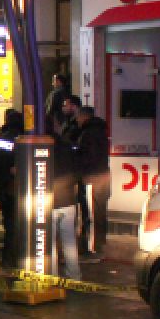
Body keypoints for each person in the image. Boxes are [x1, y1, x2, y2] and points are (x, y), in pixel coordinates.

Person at [74, 105, 111, 262]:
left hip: (92, 178)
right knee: (100, 212)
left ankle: (92, 249)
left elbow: (87, 157)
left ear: (84, 116)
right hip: (102, 176)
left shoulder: (88, 134)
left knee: (90, 213)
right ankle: (99, 245)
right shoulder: (101, 131)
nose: (77, 120)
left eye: (78, 117)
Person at [0, 110, 24, 268]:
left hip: (5, 186)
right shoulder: (23, 137)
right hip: (17, 187)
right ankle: (16, 256)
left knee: (9, 224)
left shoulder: (2, 138)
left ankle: (8, 258)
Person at [50, 132, 81, 281]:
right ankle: (74, 275)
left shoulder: (42, 151)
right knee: (69, 241)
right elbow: (78, 173)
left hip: (49, 202)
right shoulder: (69, 149)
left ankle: (52, 275)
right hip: (68, 201)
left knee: (50, 243)